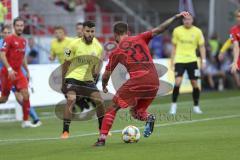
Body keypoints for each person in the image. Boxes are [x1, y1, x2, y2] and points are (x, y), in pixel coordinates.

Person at [94, 11, 190, 147]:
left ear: (115, 34)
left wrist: (104, 85)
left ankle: (102, 139)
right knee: (136, 112)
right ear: (127, 32)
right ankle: (149, 118)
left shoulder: (116, 51)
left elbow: (106, 74)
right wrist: (176, 17)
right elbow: (160, 29)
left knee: (112, 108)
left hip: (138, 80)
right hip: (154, 81)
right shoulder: (141, 37)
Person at [61, 21, 105, 139]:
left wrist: (96, 74)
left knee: (100, 101)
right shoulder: (71, 44)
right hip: (72, 76)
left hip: (87, 79)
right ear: (82, 31)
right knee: (71, 99)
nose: (90, 34)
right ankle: (65, 131)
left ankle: (102, 129)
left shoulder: (98, 47)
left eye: (92, 31)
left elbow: (96, 64)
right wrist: (63, 82)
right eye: (87, 31)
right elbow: (65, 63)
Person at [0, 25, 41, 126]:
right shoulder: (2, 44)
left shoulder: (18, 41)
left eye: (8, 32)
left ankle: (33, 118)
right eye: (4, 32)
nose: (6, 34)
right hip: (4, 74)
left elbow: (21, 57)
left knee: (22, 95)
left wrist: (26, 70)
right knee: (4, 99)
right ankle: (33, 118)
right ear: (1, 34)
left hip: (15, 74)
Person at [169, 13, 206, 115]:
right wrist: (172, 60)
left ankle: (196, 106)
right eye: (185, 19)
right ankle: (173, 106)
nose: (187, 21)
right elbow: (174, 47)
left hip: (193, 61)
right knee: (177, 82)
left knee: (194, 83)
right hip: (180, 60)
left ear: (192, 20)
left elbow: (202, 47)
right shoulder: (177, 30)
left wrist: (203, 61)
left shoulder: (198, 31)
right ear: (182, 20)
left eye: (189, 19)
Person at [228, 9, 240, 73]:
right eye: (238, 16)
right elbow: (236, 46)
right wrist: (235, 62)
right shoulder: (233, 30)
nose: (239, 19)